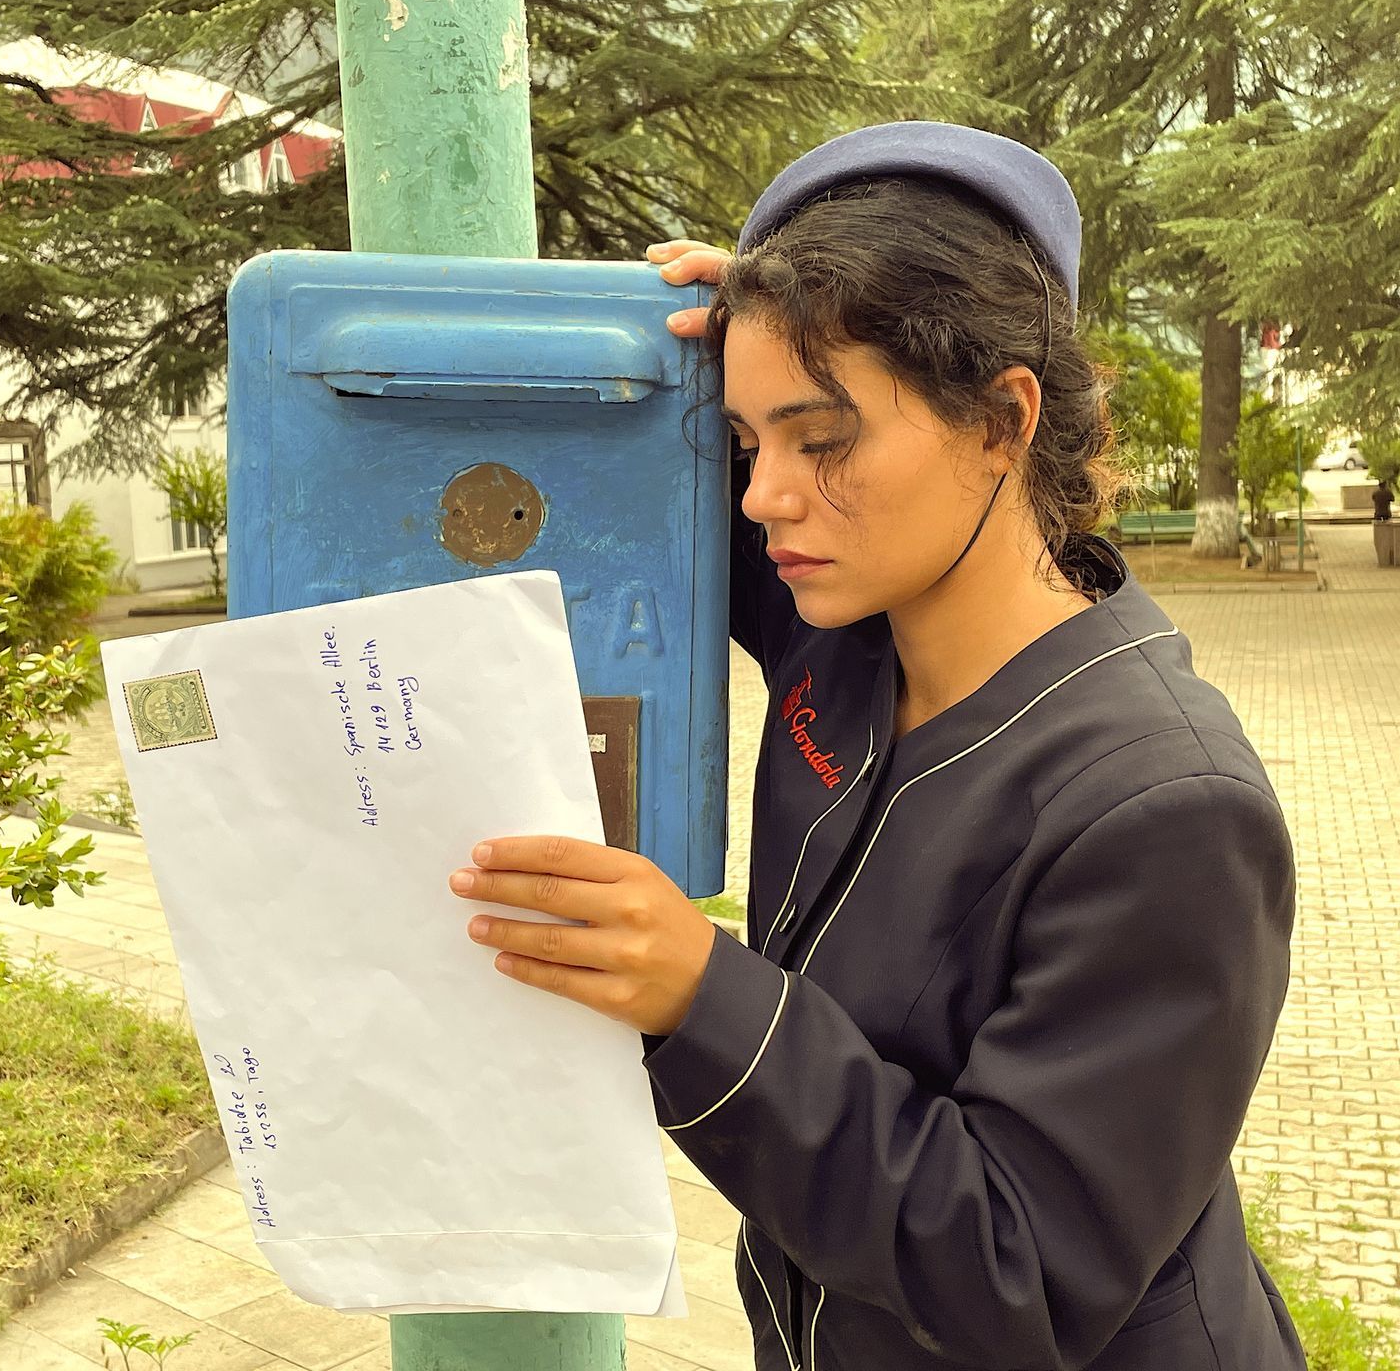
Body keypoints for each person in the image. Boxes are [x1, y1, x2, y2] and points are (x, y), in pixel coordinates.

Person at [446, 122, 1305, 1370]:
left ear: (1005, 419)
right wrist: (702, 333)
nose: (763, 498)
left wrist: (705, 1000)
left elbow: (1022, 1274)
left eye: (823, 437)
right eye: (748, 444)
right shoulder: (844, 633)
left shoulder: (1163, 808)